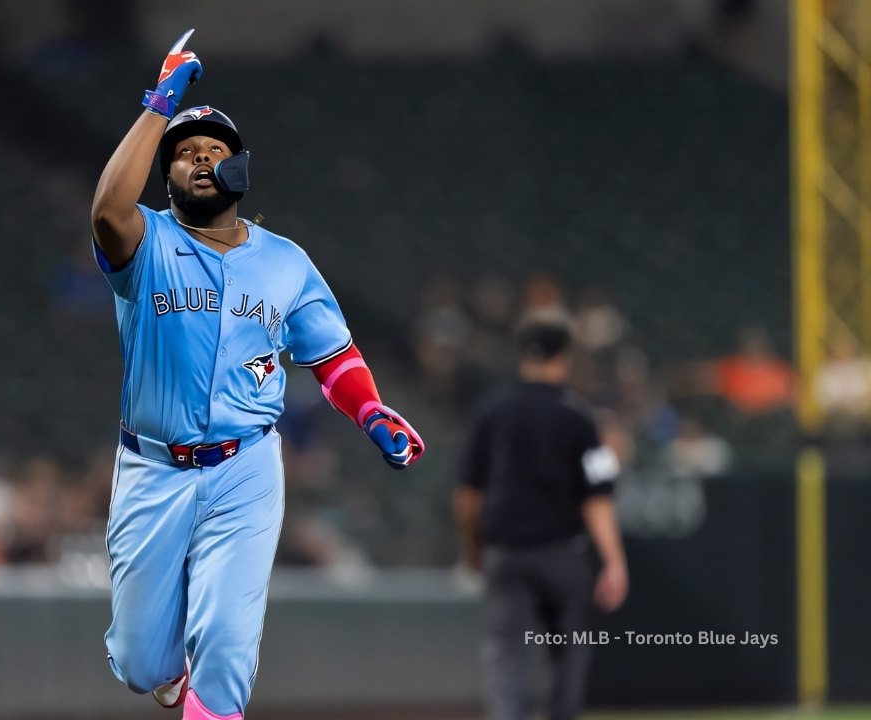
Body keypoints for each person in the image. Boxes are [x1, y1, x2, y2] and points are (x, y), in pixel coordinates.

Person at [89, 29, 425, 719]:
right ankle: (160, 662)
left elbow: (333, 356)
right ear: (166, 174)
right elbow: (104, 211)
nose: (201, 160)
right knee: (140, 661)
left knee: (227, 643)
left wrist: (370, 410)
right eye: (185, 155)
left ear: (242, 168)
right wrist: (160, 103)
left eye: (215, 151)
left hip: (245, 465)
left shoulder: (285, 262)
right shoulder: (147, 242)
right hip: (153, 469)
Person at [453, 315, 627, 720]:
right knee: (568, 655)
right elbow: (598, 497)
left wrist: (473, 548)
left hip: (506, 551)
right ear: (564, 357)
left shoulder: (491, 412)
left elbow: (467, 496)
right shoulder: (581, 417)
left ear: (521, 356)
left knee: (504, 653)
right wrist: (614, 561)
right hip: (563, 553)